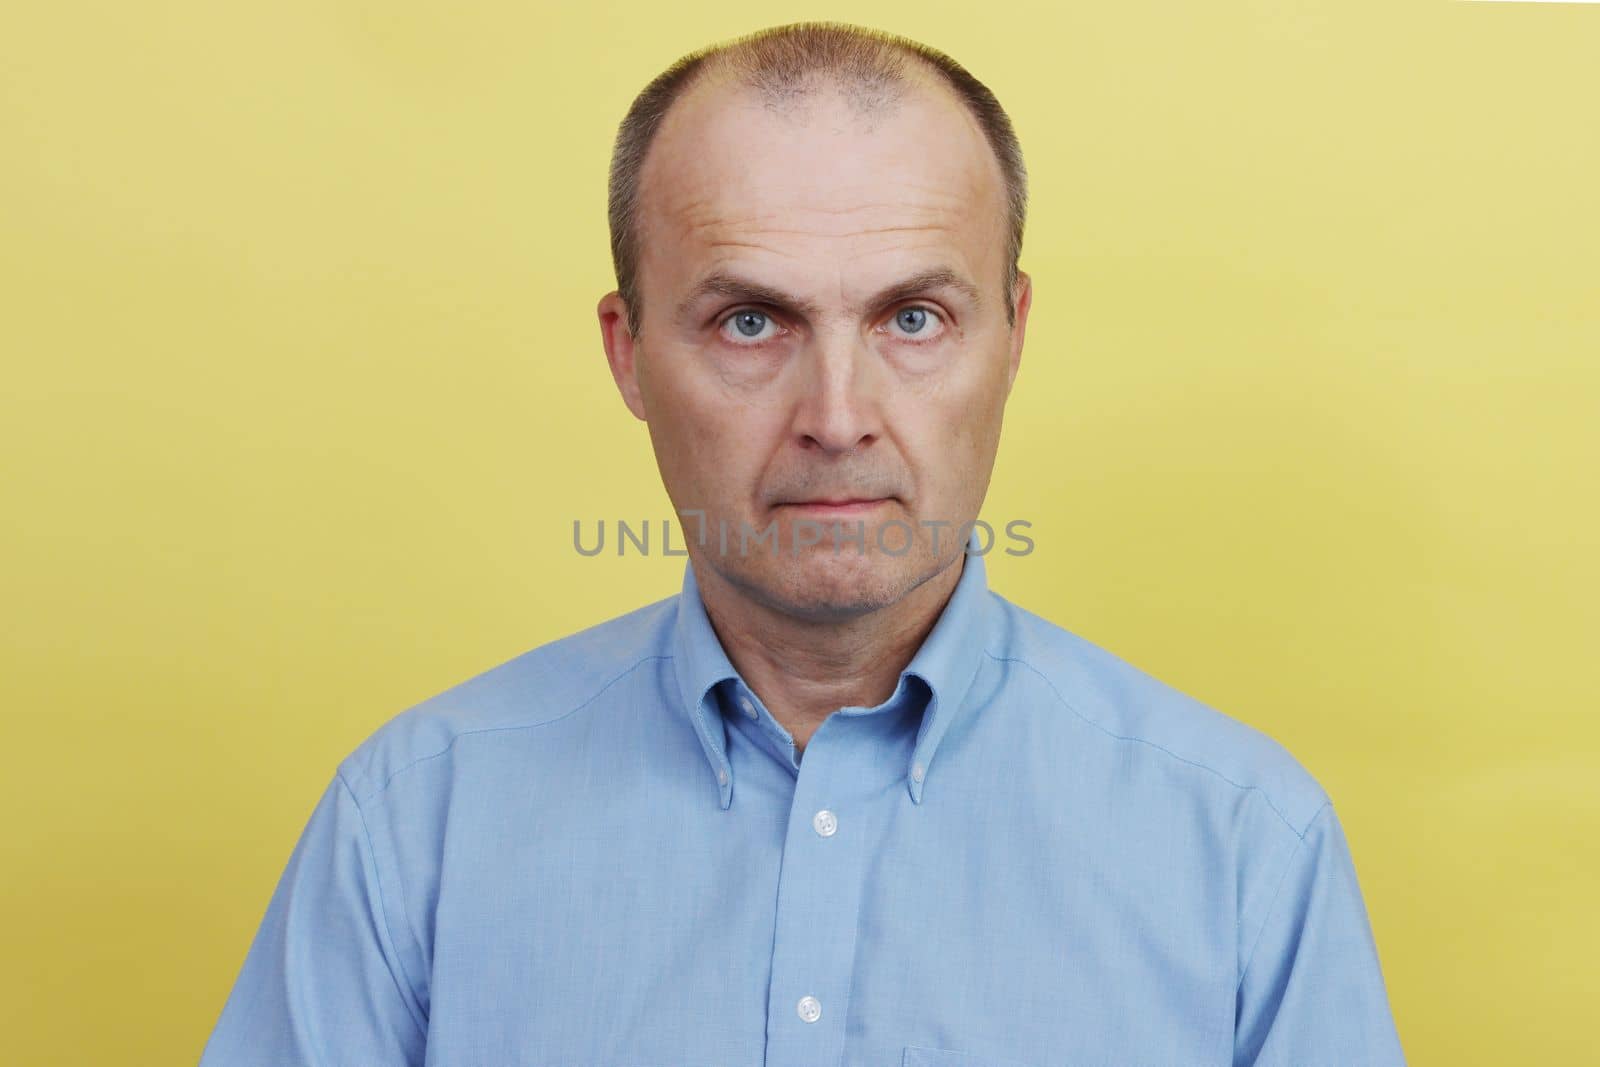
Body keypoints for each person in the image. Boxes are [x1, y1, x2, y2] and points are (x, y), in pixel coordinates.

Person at [200, 21, 1405, 1067]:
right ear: (627, 354)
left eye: (914, 316)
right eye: (750, 319)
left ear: (1014, 332)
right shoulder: (414, 823)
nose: (837, 415)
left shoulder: (1244, 843)